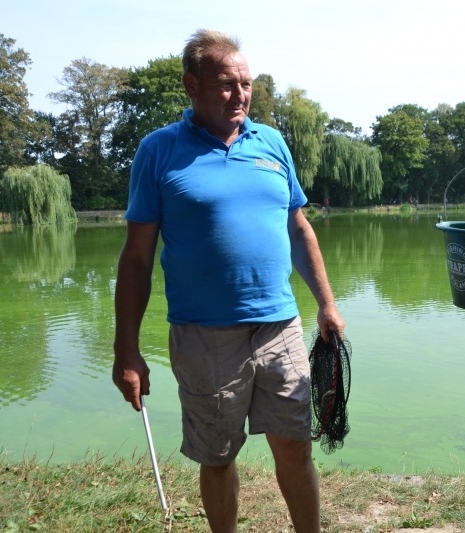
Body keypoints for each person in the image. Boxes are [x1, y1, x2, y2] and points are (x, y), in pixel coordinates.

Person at [111, 29, 344, 533]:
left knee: (295, 447)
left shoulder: (271, 142)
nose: (240, 95)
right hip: (203, 336)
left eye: (246, 84)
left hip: (280, 327)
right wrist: (126, 349)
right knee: (216, 458)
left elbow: (298, 228)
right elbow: (136, 259)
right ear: (191, 85)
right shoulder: (158, 150)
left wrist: (326, 303)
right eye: (226, 84)